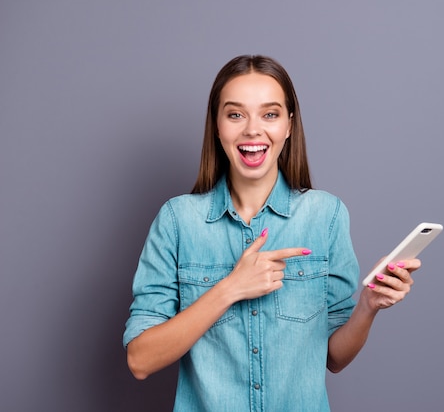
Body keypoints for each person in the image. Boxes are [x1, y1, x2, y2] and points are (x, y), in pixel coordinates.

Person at [123, 55, 420, 411]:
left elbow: (335, 358)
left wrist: (369, 307)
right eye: (235, 114)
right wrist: (230, 288)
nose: (252, 130)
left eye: (270, 114)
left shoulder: (326, 215)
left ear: (289, 125)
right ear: (217, 126)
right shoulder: (177, 220)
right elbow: (140, 360)